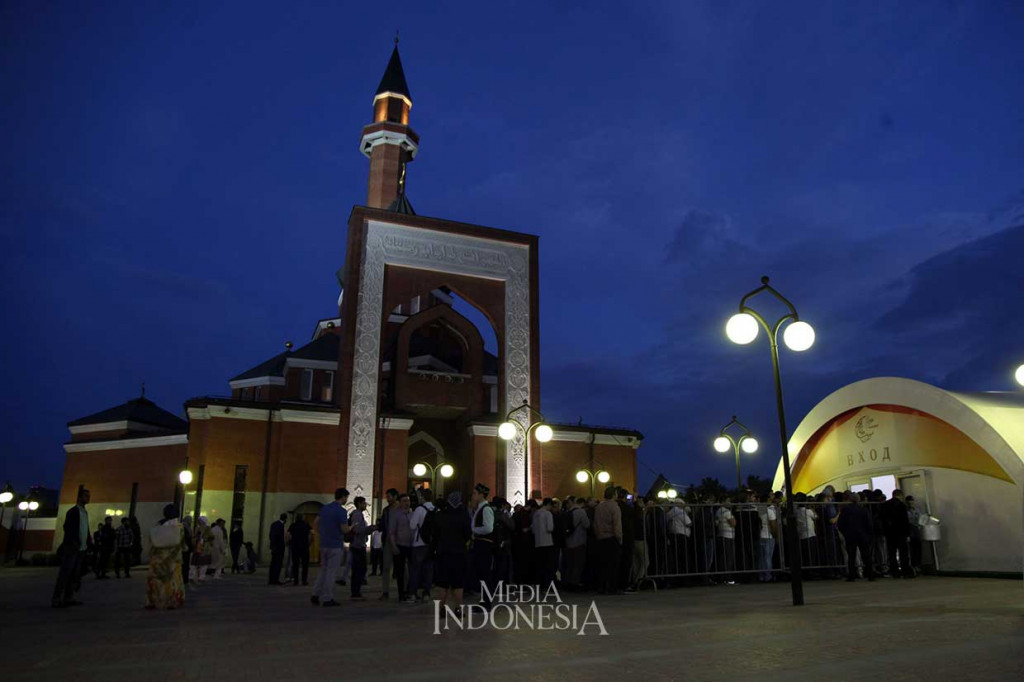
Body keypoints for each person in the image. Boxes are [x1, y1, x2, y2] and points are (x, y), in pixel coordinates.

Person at [311, 488, 353, 607]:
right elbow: (344, 529)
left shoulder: (325, 508)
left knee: (323, 570)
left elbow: (316, 522)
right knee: (331, 572)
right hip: (335, 545)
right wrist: (351, 528)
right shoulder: (341, 511)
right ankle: (327, 598)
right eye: (346, 498)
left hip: (324, 544)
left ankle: (315, 594)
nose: (346, 500)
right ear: (343, 497)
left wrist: (320, 533)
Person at [52, 487, 92, 608]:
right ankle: (56, 598)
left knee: (74, 574)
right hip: (72, 548)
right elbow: (67, 528)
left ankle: (69, 597)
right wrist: (73, 542)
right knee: (65, 573)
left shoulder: (85, 512)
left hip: (82, 549)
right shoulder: (73, 511)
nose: (88, 498)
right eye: (85, 496)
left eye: (88, 496)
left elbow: (85, 529)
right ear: (79, 497)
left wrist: (89, 543)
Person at [433, 491, 472, 609]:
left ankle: (441, 608)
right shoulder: (464, 515)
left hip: (443, 552)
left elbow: (435, 534)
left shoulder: (440, 515)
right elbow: (468, 534)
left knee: (442, 582)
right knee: (458, 582)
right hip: (459, 552)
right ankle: (458, 608)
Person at [146, 504, 185, 610]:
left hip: (157, 559)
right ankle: (172, 601)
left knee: (156, 581)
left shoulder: (157, 526)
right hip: (172, 559)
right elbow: (183, 544)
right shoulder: (179, 527)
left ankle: (153, 601)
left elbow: (150, 542)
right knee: (172, 581)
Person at [837, 493, 874, 581]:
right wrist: (869, 535)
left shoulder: (845, 510)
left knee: (851, 556)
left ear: (850, 499)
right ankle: (870, 575)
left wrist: (845, 533)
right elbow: (869, 524)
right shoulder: (864, 510)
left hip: (850, 536)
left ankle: (852, 575)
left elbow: (840, 524)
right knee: (866, 555)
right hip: (862, 535)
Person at [469, 483, 497, 606]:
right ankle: (484, 600)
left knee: (485, 573)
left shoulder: (486, 509)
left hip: (484, 545)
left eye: (475, 493)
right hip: (480, 544)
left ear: (481, 495)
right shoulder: (480, 508)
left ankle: (486, 602)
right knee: (481, 573)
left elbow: (488, 528)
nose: (473, 496)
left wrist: (474, 530)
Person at [408, 488, 436, 603]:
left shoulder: (419, 509)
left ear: (422, 497)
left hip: (418, 543)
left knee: (416, 569)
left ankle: (413, 593)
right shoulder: (436, 509)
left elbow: (412, 526)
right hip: (431, 544)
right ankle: (426, 593)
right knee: (428, 570)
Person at [594, 486, 622, 594]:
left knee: (602, 565)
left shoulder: (598, 507)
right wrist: (619, 538)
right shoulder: (615, 507)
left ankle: (601, 587)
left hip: (600, 538)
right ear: (614, 495)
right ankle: (612, 588)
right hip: (611, 538)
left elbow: (595, 523)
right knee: (613, 565)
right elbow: (617, 525)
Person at [883, 489, 914, 578]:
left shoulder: (885, 504)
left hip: (890, 533)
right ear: (900, 495)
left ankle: (894, 572)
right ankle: (905, 572)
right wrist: (907, 534)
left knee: (892, 553)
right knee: (903, 553)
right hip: (901, 533)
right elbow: (905, 521)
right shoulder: (901, 505)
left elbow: (883, 519)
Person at [390, 493, 414, 602]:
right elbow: (392, 532)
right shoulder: (395, 514)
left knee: (411, 570)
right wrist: (394, 546)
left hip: (411, 545)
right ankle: (401, 593)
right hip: (400, 545)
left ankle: (409, 591)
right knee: (400, 572)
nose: (407, 503)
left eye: (408, 500)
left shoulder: (412, 513)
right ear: (400, 503)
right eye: (404, 501)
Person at [377, 488, 399, 600]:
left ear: (395, 497)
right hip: (387, 541)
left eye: (389, 496)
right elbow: (382, 525)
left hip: (400, 541)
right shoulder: (386, 510)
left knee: (402, 567)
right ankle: (385, 591)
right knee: (386, 567)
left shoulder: (401, 509)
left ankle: (404, 590)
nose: (387, 498)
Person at [564, 496, 591, 589]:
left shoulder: (567, 512)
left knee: (569, 564)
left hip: (568, 541)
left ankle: (567, 581)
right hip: (579, 541)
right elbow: (587, 524)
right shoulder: (581, 511)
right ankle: (575, 583)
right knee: (578, 564)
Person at [349, 496, 371, 600]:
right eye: (363, 503)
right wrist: (369, 529)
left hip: (359, 544)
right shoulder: (357, 515)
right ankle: (355, 592)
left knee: (359, 569)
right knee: (359, 569)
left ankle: (356, 591)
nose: (365, 505)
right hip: (357, 545)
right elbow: (357, 530)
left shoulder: (358, 514)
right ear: (359, 504)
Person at [532, 497, 556, 588]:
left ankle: (539, 584)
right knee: (548, 566)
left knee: (539, 565)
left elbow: (533, 529)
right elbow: (550, 528)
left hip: (537, 542)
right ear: (549, 504)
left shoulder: (536, 513)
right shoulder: (547, 514)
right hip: (547, 542)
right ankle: (547, 585)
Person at [756, 493, 778, 582]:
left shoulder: (757, 510)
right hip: (768, 535)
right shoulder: (770, 511)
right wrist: (775, 535)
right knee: (768, 557)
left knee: (761, 557)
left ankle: (761, 575)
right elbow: (773, 525)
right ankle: (768, 576)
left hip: (760, 535)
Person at [715, 495, 736, 585]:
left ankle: (722, 577)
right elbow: (733, 523)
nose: (730, 503)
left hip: (721, 535)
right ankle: (727, 578)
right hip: (728, 536)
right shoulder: (726, 512)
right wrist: (734, 519)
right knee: (728, 558)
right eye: (728, 501)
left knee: (722, 558)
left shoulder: (718, 511)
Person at [288, 514, 311, 586]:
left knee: (295, 564)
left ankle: (296, 581)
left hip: (295, 547)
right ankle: (304, 581)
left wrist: (289, 543)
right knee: (305, 565)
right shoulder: (306, 524)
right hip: (304, 547)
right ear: (302, 518)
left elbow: (288, 534)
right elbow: (312, 533)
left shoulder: (293, 525)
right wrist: (309, 543)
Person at [268, 513, 287, 585]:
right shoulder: (280, 525)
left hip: (275, 547)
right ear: (285, 519)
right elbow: (275, 536)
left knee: (273, 564)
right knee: (277, 564)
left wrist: (272, 545)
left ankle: (271, 579)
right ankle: (275, 579)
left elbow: (271, 535)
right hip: (279, 548)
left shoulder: (274, 524)